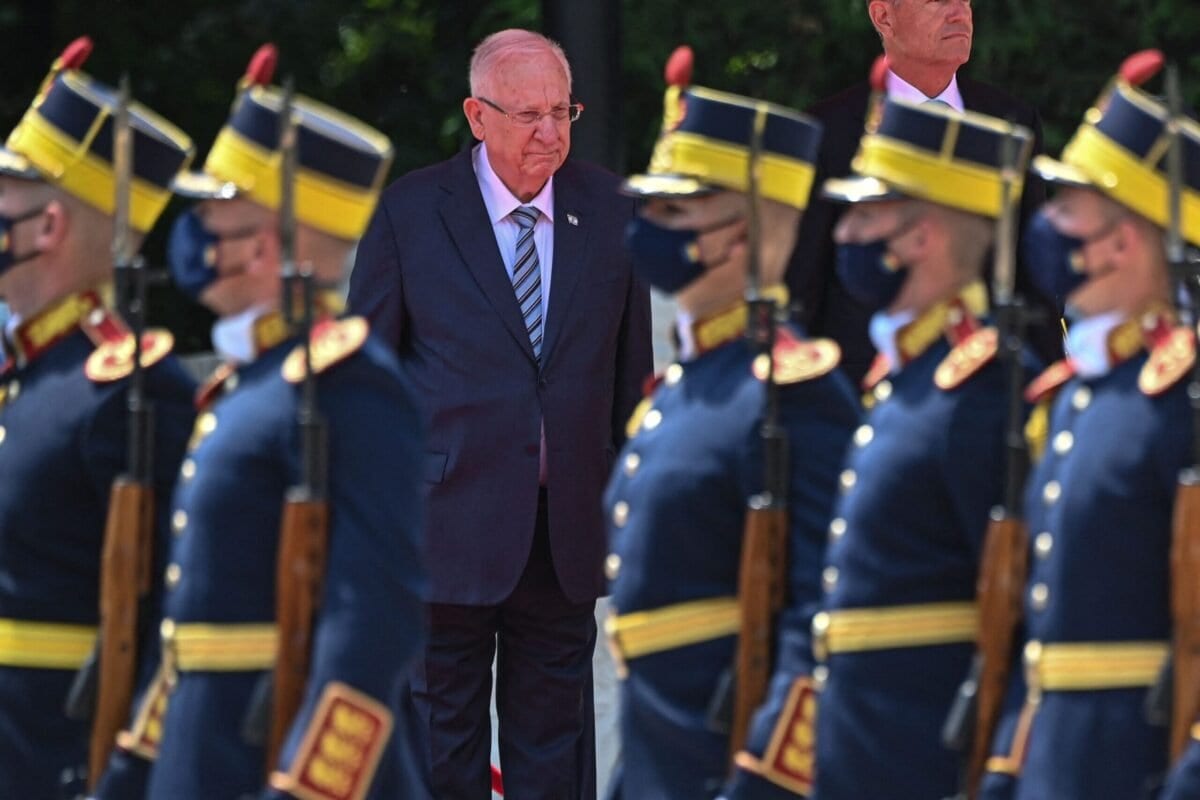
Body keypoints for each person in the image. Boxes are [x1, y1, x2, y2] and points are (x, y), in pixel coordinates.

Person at [95, 46, 428, 799]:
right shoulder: (247, 386)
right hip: (202, 761)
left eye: (214, 212)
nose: (194, 229)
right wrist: (130, 775)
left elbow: (373, 624)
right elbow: (190, 639)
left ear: (264, 243)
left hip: (267, 765)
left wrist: (309, 788)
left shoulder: (350, 387)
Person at [348, 28, 653, 799]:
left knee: (556, 752)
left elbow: (630, 377)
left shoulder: (613, 212)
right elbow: (366, 382)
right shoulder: (412, 212)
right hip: (440, 527)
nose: (549, 132)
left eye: (562, 111)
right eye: (527, 115)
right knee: (437, 747)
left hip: (565, 531)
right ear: (477, 115)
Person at [604, 48, 860, 799]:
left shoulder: (792, 394)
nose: (648, 227)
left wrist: (766, 783)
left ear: (740, 235)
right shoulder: (680, 390)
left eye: (675, 211)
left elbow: (822, 626)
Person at [980, 56, 1198, 800]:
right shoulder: (1072, 399)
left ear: (1122, 240)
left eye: (1068, 208)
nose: (1048, 225)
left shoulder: (1185, 399)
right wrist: (1007, 768)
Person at [810, 87, 1036, 799]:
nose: (845, 231)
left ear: (921, 236)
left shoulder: (982, 392)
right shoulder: (904, 380)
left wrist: (1003, 773)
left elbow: (1031, 613)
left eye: (867, 213)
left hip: (931, 759)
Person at [0, 37, 197, 799]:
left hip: (54, 766)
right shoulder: (27, 375)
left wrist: (127, 777)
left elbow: (179, 618)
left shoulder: (126, 390)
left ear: (47, 226)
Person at [788, 0, 1054, 387]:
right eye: (937, 1)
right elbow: (803, 281)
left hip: (988, 382)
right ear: (883, 16)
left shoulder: (1010, 120)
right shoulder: (828, 130)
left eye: (965, 0)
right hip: (864, 384)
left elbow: (1033, 276)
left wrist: (1045, 388)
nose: (959, 12)